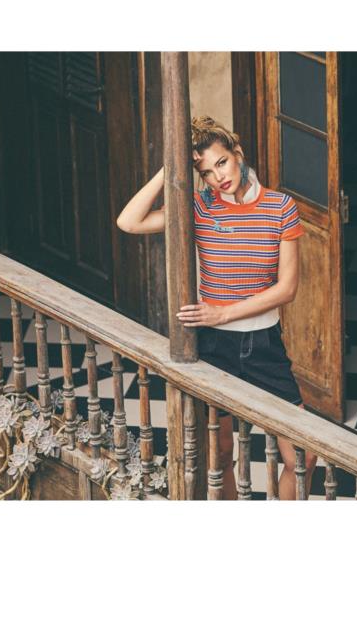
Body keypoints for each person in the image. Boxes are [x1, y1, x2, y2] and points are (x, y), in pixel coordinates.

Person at [117, 115, 317, 500]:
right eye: (206, 172)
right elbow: (129, 222)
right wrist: (170, 167)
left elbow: (287, 289)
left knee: (302, 459)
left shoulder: (280, 208)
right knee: (221, 455)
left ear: (237, 153)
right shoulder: (200, 207)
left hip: (263, 344)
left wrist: (223, 312)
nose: (218, 177)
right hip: (214, 346)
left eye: (221, 162)